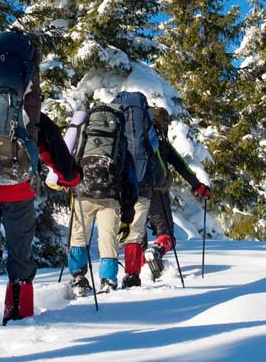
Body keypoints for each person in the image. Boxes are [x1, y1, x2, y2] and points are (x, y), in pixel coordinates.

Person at [0, 32, 80, 324]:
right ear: (29, 75)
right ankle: (19, 317)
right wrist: (70, 179)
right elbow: (59, 161)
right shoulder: (32, 116)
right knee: (20, 258)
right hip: (19, 191)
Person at [66, 103, 136, 295]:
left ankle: (78, 277)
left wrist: (70, 191)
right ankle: (108, 280)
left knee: (78, 236)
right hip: (110, 197)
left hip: (83, 193)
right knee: (108, 239)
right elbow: (130, 183)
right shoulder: (120, 147)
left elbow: (68, 162)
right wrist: (127, 217)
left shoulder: (83, 138)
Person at [145, 107, 212, 281]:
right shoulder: (162, 143)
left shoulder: (133, 141)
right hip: (156, 193)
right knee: (166, 235)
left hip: (132, 193)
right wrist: (198, 187)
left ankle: (136, 271)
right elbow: (182, 166)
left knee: (136, 234)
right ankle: (157, 250)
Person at [112, 91, 161, 289]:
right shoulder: (145, 118)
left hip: (119, 184)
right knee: (136, 230)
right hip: (143, 184)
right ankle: (132, 274)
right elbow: (154, 147)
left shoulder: (115, 118)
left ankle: (107, 276)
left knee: (111, 231)